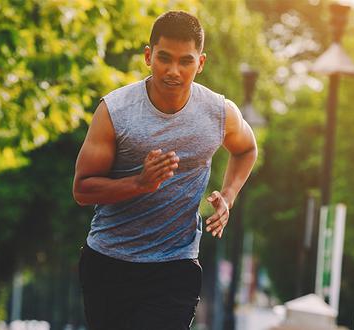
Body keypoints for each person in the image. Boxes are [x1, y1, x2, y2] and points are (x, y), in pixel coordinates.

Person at [73, 10, 257, 330]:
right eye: (164, 58)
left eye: (185, 61)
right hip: (109, 263)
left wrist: (228, 196)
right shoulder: (115, 111)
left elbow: (246, 149)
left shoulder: (218, 113)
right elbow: (82, 189)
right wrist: (139, 183)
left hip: (175, 264)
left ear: (200, 63)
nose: (173, 71)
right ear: (148, 56)